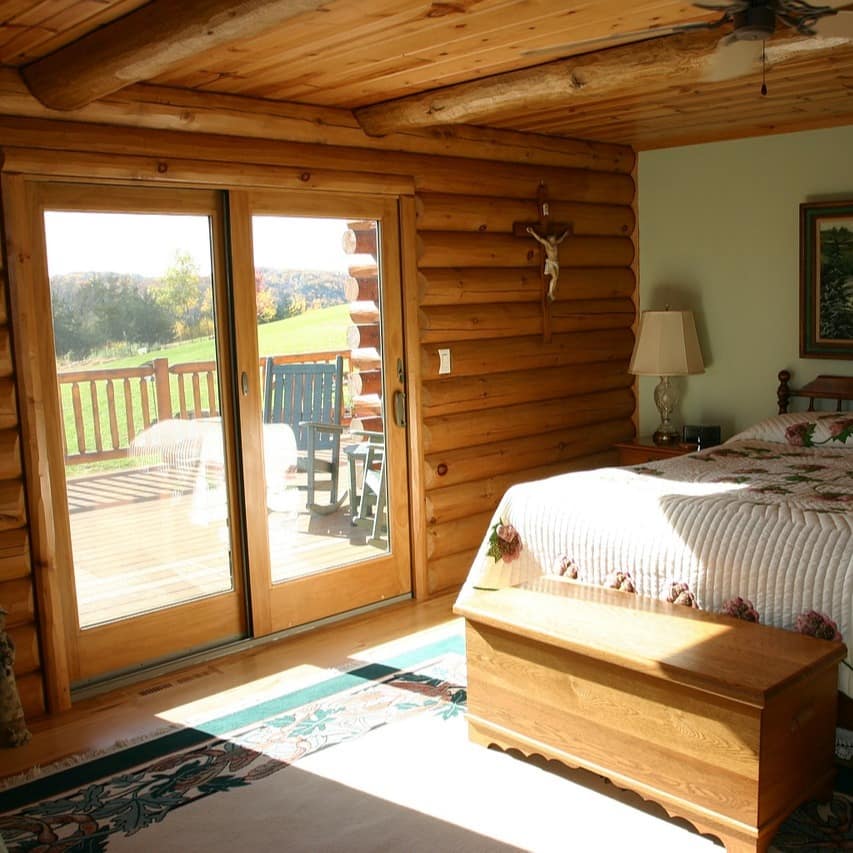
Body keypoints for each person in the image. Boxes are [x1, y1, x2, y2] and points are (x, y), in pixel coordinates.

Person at [526, 226, 569, 301]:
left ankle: (551, 292)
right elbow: (539, 239)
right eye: (552, 240)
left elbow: (560, 240)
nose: (553, 241)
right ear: (549, 239)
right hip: (551, 262)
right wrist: (532, 232)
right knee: (555, 277)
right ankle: (550, 293)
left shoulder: (555, 243)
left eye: (554, 239)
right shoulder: (547, 244)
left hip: (555, 263)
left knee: (555, 278)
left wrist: (565, 234)